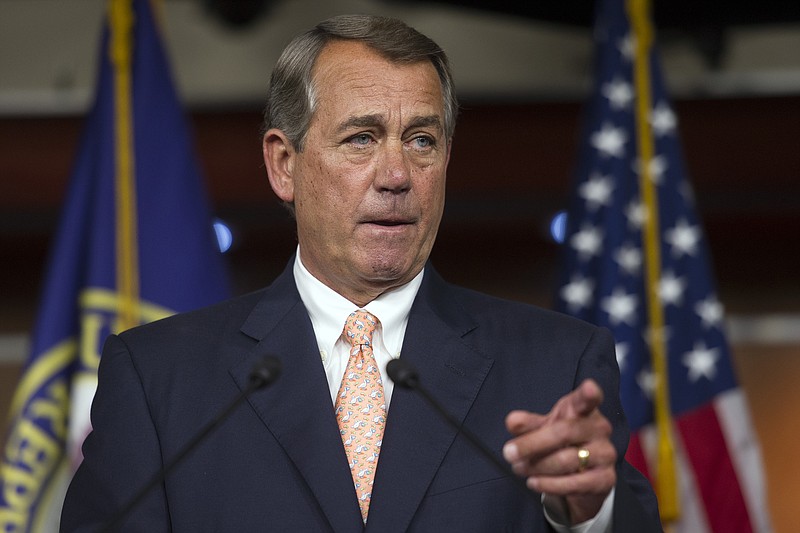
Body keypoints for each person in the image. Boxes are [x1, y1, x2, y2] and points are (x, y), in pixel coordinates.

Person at [61, 14, 661, 532]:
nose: (397, 174)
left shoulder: (556, 365)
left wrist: (589, 512)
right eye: (362, 138)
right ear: (283, 165)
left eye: (422, 140)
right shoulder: (158, 379)